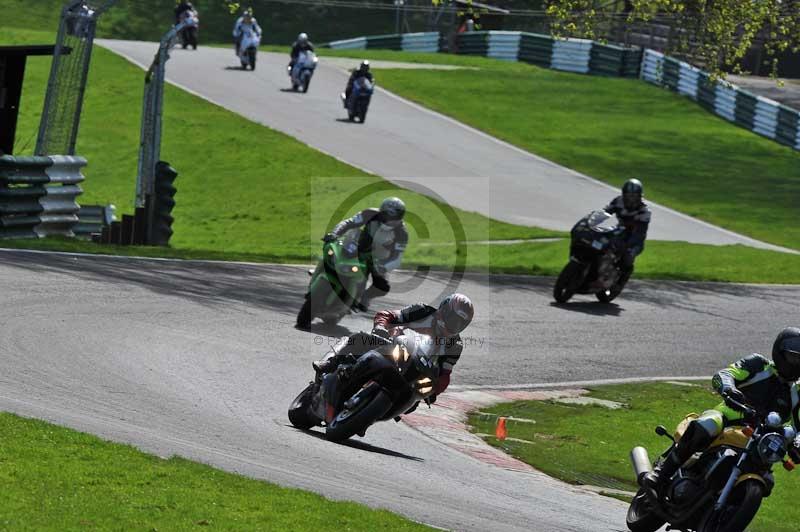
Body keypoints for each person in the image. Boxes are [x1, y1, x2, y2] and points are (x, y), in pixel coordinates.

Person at [643, 327, 800, 492]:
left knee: (767, 481)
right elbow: (725, 374)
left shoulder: (797, 391)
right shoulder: (758, 365)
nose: (796, 363)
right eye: (793, 357)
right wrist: (729, 389)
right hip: (727, 419)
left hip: (761, 440)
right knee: (707, 425)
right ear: (780, 352)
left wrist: (797, 444)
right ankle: (662, 472)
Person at [313, 293, 475, 402]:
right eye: (453, 319)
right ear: (443, 310)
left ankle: (371, 412)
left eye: (461, 324)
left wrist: (434, 391)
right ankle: (330, 361)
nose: (455, 325)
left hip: (413, 372)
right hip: (391, 346)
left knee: (414, 402)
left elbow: (445, 375)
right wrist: (381, 328)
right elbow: (388, 315)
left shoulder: (455, 345)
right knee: (360, 338)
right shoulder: (422, 311)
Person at [321, 197, 408, 311]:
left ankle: (365, 297)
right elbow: (349, 222)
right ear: (381, 211)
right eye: (386, 215)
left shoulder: (402, 233)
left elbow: (397, 257)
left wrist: (383, 267)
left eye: (395, 216)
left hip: (378, 259)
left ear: (401, 216)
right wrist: (334, 233)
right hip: (358, 246)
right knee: (333, 249)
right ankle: (322, 268)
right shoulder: (369, 213)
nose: (390, 220)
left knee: (382, 287)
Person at [603, 178, 651, 280]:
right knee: (601, 243)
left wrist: (628, 245)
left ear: (639, 196)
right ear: (624, 194)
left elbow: (640, 232)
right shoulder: (618, 201)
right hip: (619, 231)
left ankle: (621, 279)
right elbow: (604, 212)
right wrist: (592, 220)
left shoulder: (644, 210)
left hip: (635, 238)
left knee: (628, 257)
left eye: (634, 196)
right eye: (628, 195)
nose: (631, 199)